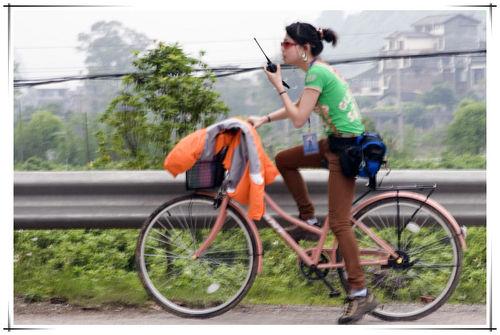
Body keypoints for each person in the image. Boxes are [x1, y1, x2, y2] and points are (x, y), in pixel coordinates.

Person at [247, 22, 377, 324]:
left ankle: (360, 293)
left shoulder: (317, 72)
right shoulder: (316, 70)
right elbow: (300, 107)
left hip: (344, 151)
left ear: (304, 49)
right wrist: (264, 119)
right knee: (285, 159)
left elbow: (298, 119)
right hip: (332, 143)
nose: (282, 47)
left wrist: (277, 85)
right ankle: (307, 220)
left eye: (287, 43)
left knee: (341, 223)